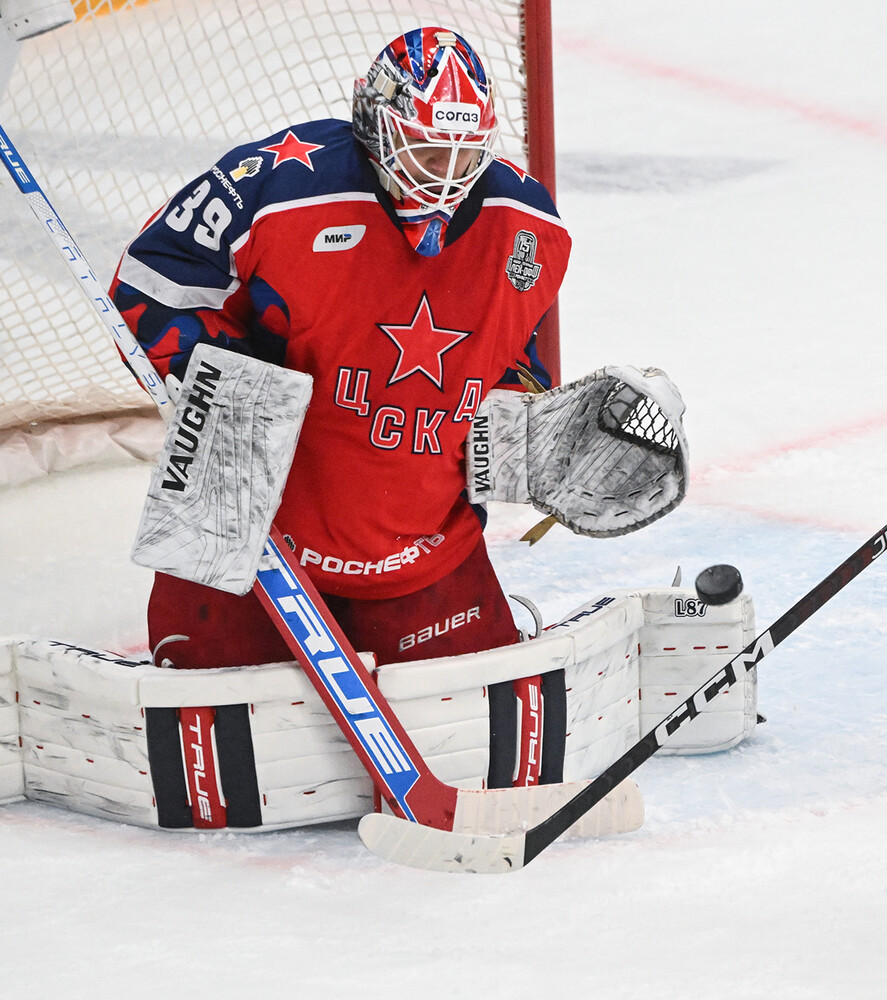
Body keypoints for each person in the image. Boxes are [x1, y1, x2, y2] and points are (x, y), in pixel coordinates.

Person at [110, 27, 569, 789]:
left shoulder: (532, 229)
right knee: (204, 769)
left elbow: (517, 359)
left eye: (464, 156)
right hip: (242, 534)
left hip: (422, 549)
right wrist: (225, 383)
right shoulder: (281, 184)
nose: (446, 178)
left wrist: (536, 432)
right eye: (426, 151)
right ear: (377, 123)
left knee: (486, 757)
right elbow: (150, 283)